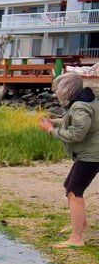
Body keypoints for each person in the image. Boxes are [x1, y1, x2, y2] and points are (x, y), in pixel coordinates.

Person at [39, 72, 99, 248]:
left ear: (66, 89)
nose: (56, 92)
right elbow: (71, 121)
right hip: (90, 154)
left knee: (74, 192)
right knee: (69, 187)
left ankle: (76, 238)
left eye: (57, 89)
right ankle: (82, 224)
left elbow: (76, 134)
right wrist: (54, 122)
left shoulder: (80, 106)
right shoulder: (85, 100)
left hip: (92, 155)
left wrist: (51, 130)